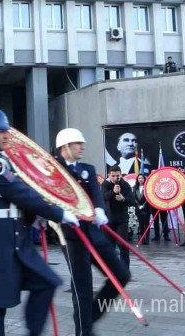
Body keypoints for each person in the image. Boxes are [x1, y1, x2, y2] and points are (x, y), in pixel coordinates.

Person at [0, 109, 76, 336]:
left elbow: (17, 196)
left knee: (46, 281)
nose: (6, 136)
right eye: (0, 132)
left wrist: (35, 216)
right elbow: (22, 194)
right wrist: (59, 214)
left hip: (10, 240)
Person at [55, 128, 130, 336]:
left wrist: (98, 208)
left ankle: (89, 316)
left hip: (94, 232)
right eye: (78, 143)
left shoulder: (86, 168)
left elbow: (95, 191)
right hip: (71, 235)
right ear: (65, 146)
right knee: (82, 287)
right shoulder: (52, 169)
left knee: (121, 274)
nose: (83, 146)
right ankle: (84, 331)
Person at [101, 166, 135, 267]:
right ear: (109, 175)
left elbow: (132, 201)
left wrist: (124, 199)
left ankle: (125, 269)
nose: (116, 178)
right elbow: (103, 197)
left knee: (123, 245)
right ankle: (111, 269)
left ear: (121, 175)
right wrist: (113, 192)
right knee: (109, 246)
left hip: (122, 219)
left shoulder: (125, 185)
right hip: (108, 220)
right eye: (113, 176)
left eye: (118, 176)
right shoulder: (105, 184)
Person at [132, 174, 150, 245]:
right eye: (139, 178)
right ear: (137, 179)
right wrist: (138, 205)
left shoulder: (147, 187)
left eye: (142, 178)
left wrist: (143, 205)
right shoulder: (134, 187)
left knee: (146, 224)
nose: (140, 179)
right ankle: (142, 238)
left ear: (144, 179)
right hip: (138, 209)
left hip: (146, 208)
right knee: (141, 224)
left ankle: (147, 239)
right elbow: (134, 197)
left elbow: (148, 198)